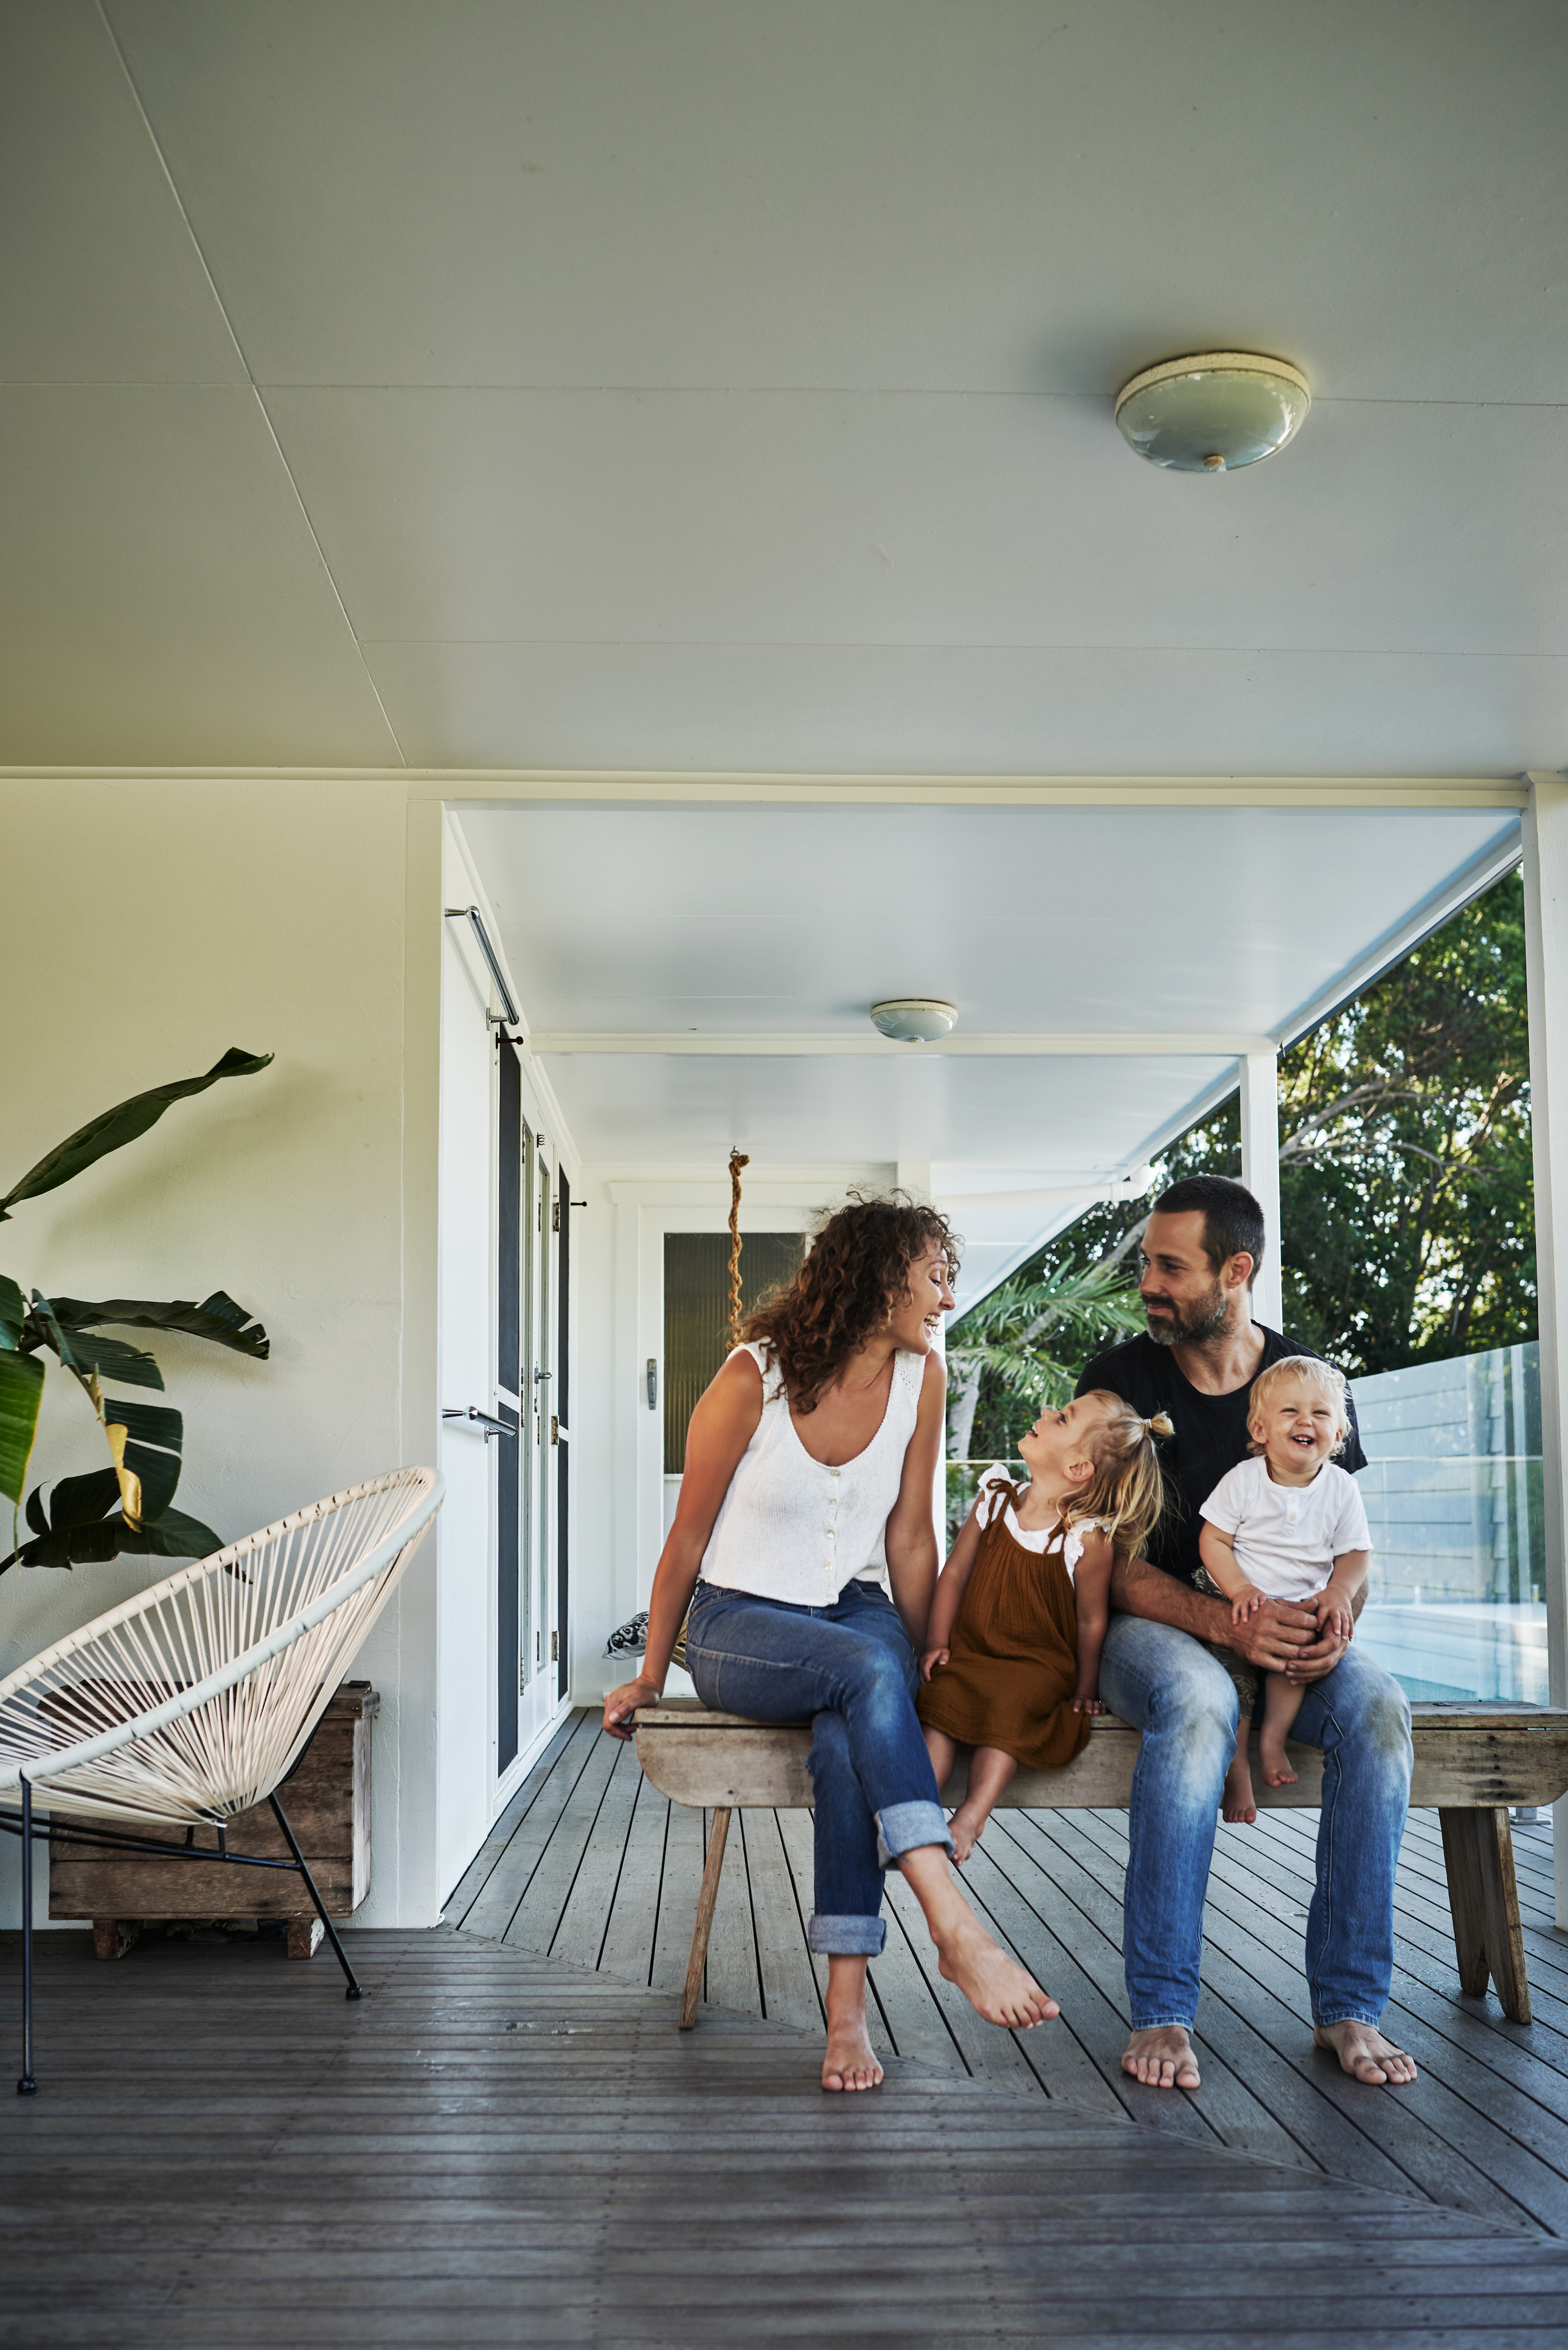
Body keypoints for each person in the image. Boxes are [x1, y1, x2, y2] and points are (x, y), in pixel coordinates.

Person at [603, 1194, 1056, 2094]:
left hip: (858, 1612)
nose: (948, 1298)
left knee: (855, 1723)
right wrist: (651, 1672)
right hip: (738, 1621)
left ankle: (846, 2015)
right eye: (935, 1277)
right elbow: (686, 1541)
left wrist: (937, 1654)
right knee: (865, 1669)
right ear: (879, 1278)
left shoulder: (923, 1376)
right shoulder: (753, 1377)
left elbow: (912, 1539)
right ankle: (953, 1923)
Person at [1077, 1173, 1417, 2093]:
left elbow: (1347, 1544)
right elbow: (1100, 1556)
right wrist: (1221, 1618)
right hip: (1151, 1622)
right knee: (1197, 1700)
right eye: (1146, 1263)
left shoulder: (1309, 1386)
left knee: (1379, 1709)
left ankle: (1349, 2004)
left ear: (1235, 1271)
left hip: (1286, 1631)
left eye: (1169, 1267)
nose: (1148, 1283)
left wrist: (1333, 1624)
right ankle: (1162, 2008)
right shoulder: (1117, 1381)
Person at [916, 1392, 1171, 1862]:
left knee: (1012, 1712)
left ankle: (971, 1816)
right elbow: (953, 1574)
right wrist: (936, 1640)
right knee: (940, 1704)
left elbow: (1091, 1620)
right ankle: (915, 1812)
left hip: (1036, 1667)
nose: (1046, 1414)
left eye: (1063, 1417)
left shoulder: (1085, 1537)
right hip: (973, 1652)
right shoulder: (995, 1498)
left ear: (1078, 1467)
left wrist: (1084, 1688)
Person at [1196, 1355, 1371, 1820]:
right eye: (1290, 1411)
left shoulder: (1341, 1488)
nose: (1305, 1420)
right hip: (1237, 1601)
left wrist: (1339, 1591)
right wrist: (1239, 1588)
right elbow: (1213, 1540)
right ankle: (1237, 1769)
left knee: (1295, 1668)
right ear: (1260, 1429)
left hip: (1298, 1607)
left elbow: (1356, 1553)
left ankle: (1272, 1743)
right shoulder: (1244, 1480)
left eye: (1320, 1413)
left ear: (1338, 1434)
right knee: (1235, 1682)